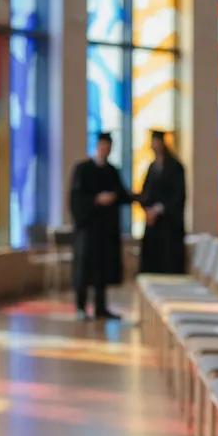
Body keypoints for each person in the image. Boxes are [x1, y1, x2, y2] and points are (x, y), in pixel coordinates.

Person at [69, 133, 132, 320]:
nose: (105, 149)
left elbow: (122, 194)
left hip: (105, 230)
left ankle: (101, 307)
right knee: (84, 268)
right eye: (103, 145)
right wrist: (96, 199)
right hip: (88, 229)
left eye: (108, 146)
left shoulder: (112, 171)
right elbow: (76, 198)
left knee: (102, 269)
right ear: (97, 147)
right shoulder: (83, 169)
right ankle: (80, 307)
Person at [138, 129, 188, 274]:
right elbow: (145, 193)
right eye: (153, 142)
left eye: (157, 142)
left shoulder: (175, 167)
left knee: (168, 264)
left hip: (169, 227)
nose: (155, 145)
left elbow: (178, 196)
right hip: (153, 226)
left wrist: (159, 209)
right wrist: (147, 209)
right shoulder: (152, 167)